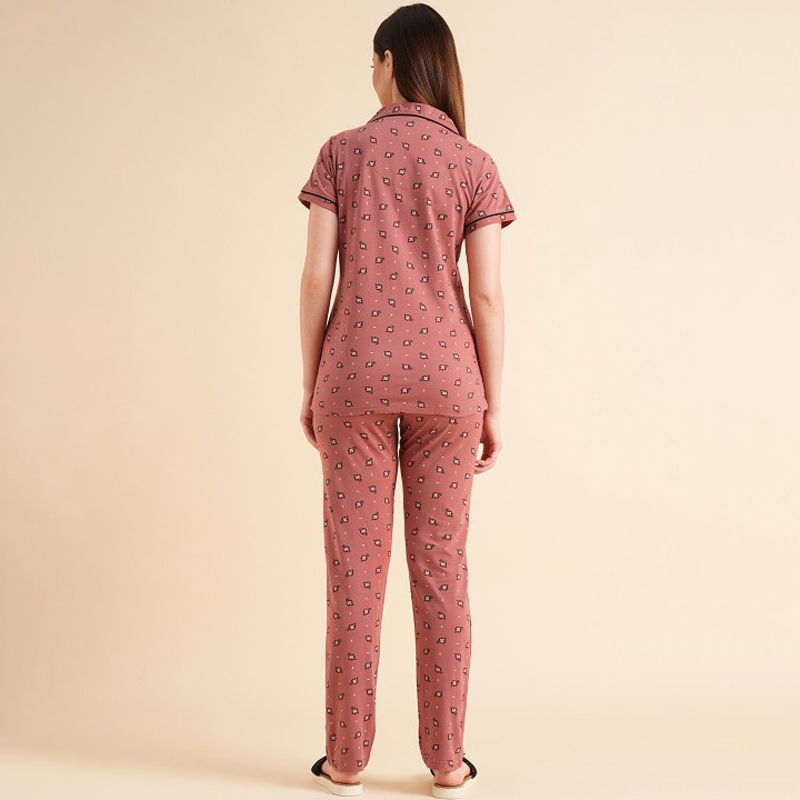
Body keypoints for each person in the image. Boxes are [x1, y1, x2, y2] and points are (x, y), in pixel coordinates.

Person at [298, 4, 516, 797]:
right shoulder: (474, 163)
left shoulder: (342, 152)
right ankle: (448, 762)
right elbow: (486, 296)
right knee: (441, 568)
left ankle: (347, 759)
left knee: (356, 571)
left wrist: (311, 383)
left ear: (390, 62)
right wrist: (493, 403)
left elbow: (315, 278)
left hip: (352, 376)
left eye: (372, 60)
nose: (371, 72)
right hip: (450, 384)